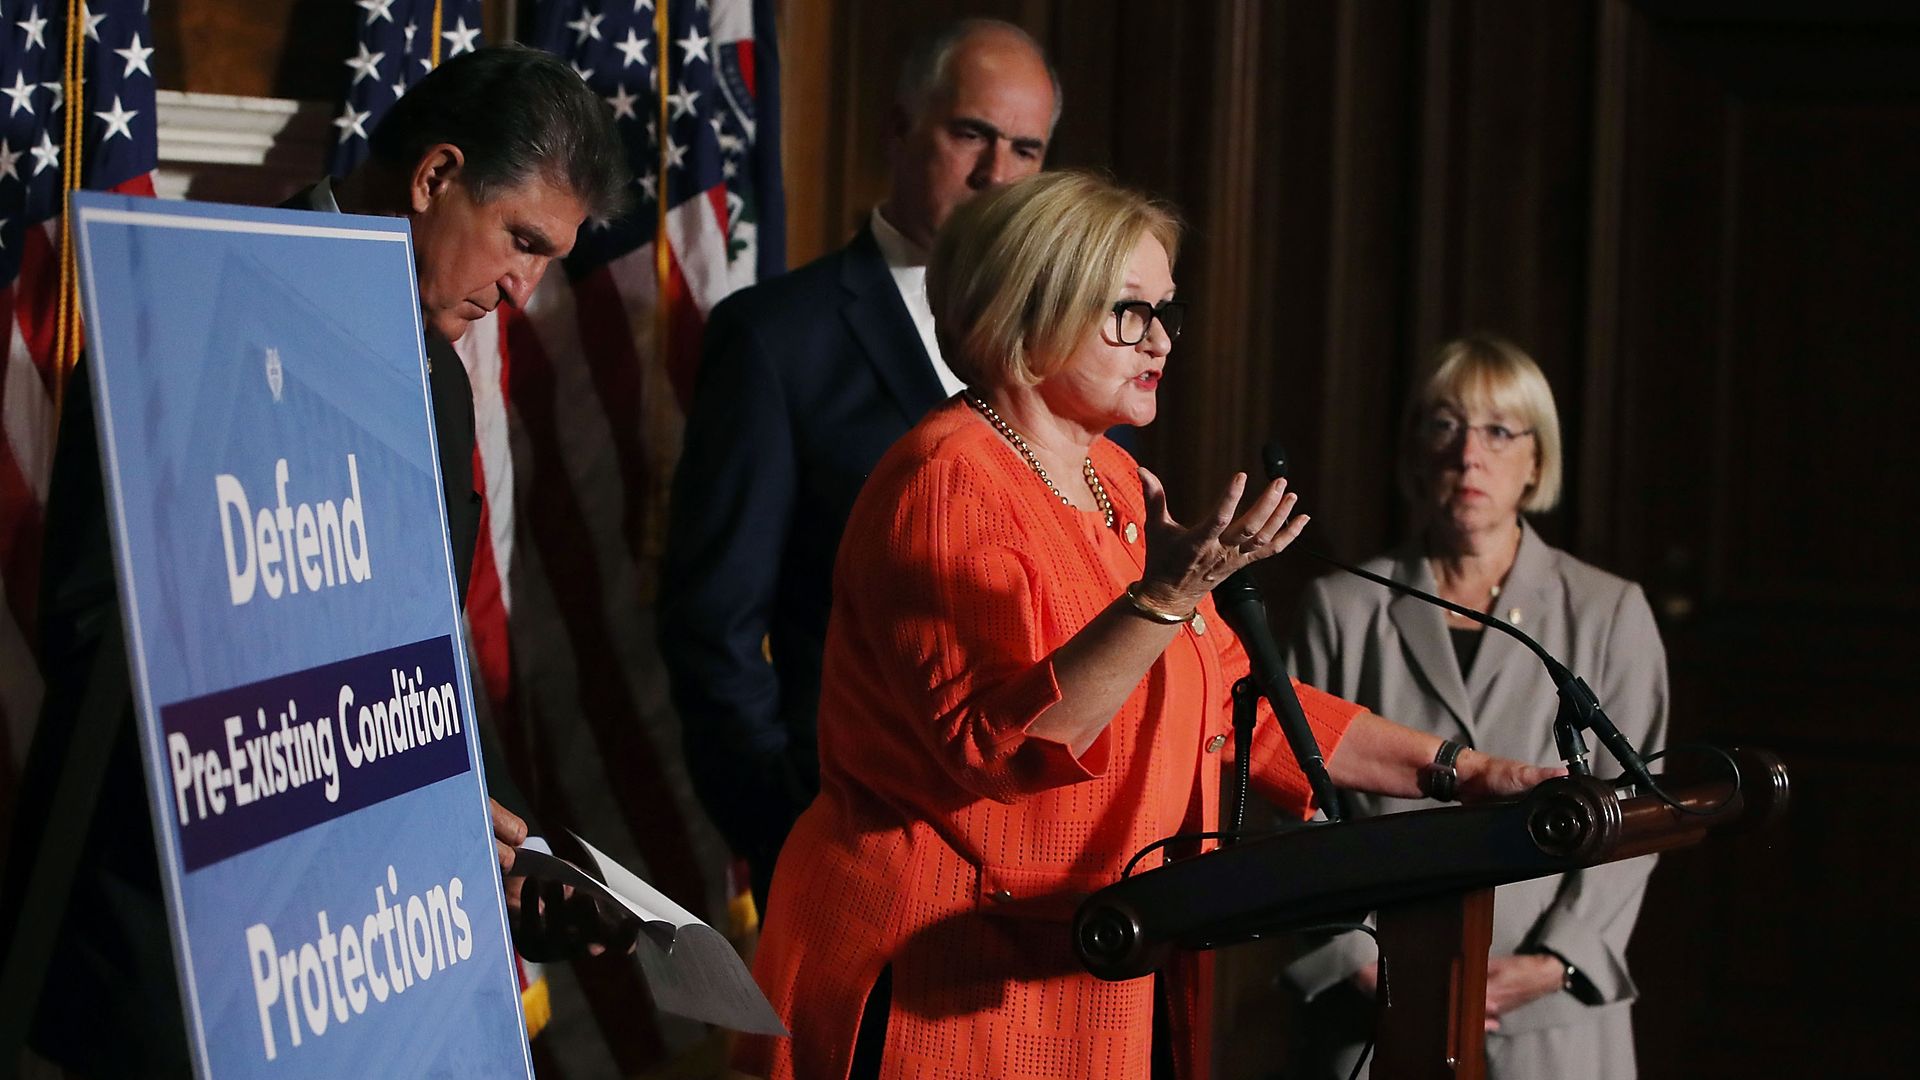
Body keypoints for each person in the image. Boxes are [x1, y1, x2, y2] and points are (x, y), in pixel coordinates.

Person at [732, 171, 1561, 1080]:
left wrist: (1456, 769)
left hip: (1091, 962)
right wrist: (1161, 601)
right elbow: (1004, 748)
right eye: (1130, 313)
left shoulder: (1115, 480)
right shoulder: (947, 483)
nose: (1161, 340)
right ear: (1032, 307)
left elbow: (1230, 701)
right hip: (943, 977)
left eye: (1167, 311)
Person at [5, 45, 631, 1077]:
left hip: (351, 979)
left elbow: (432, 656)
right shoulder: (188, 302)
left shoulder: (434, 369)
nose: (523, 285)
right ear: (436, 177)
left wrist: (513, 857)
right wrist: (356, 789)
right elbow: (90, 635)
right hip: (165, 966)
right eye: (521, 240)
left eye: (550, 257)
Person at [657, 18, 1078, 910]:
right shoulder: (777, 341)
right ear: (898, 129)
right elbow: (712, 623)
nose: (996, 173)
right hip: (850, 850)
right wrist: (782, 825)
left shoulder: (1071, 352)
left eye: (1025, 148)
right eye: (969, 134)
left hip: (1041, 858)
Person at [1281, 335, 1669, 1080]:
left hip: (1554, 1018)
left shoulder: (1610, 611)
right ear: (1414, 450)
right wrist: (1353, 951)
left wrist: (1558, 960)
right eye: (1444, 425)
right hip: (1380, 1006)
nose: (1468, 456)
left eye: (1499, 431)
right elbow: (1294, 798)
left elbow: (1642, 808)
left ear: (1537, 460)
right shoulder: (1344, 607)